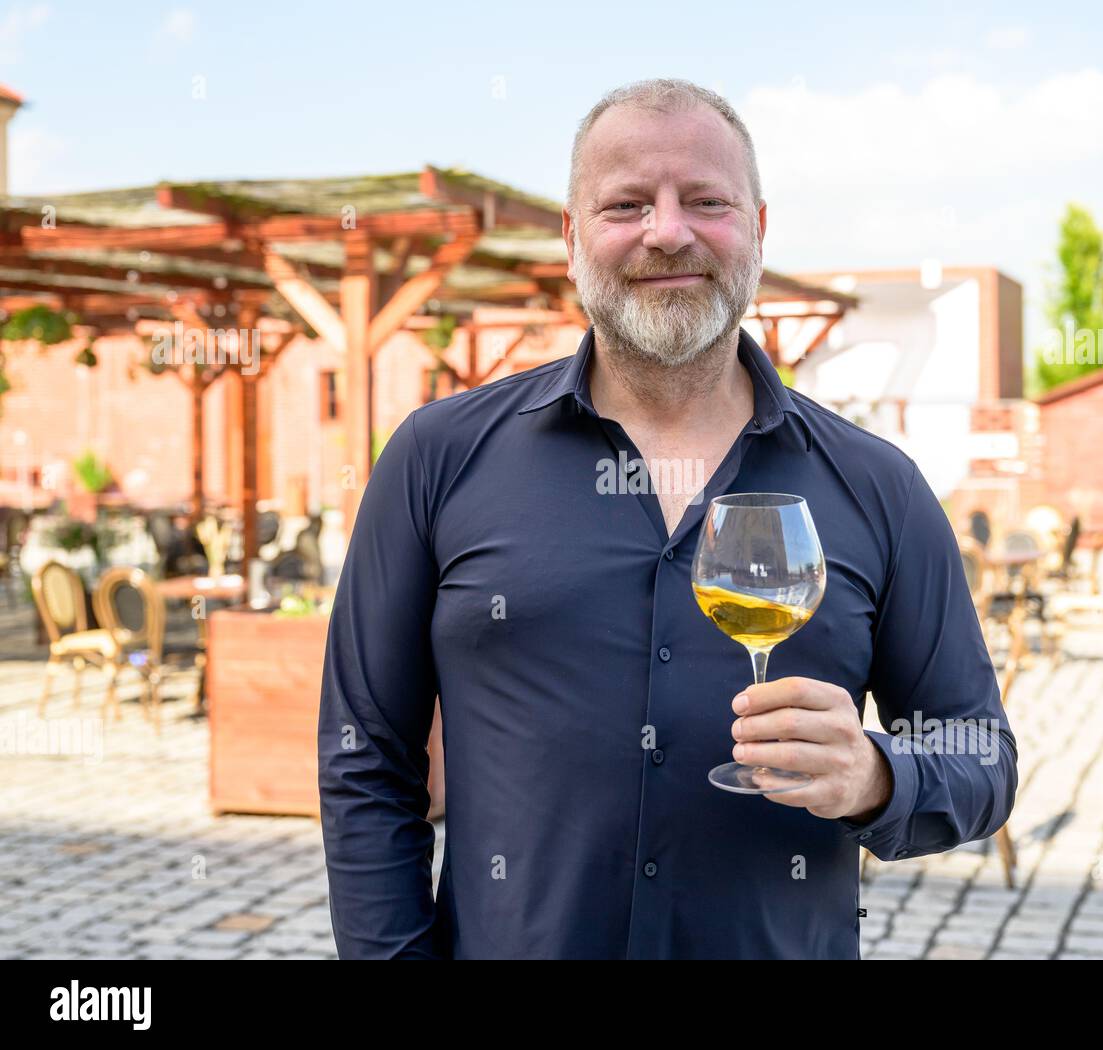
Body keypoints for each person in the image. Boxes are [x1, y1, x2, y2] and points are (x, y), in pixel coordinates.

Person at [318, 77, 1017, 960]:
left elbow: (980, 754)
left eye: (706, 201)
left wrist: (878, 775)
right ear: (572, 237)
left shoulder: (880, 487)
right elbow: (364, 760)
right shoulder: (435, 458)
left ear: (758, 227)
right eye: (626, 204)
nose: (668, 231)